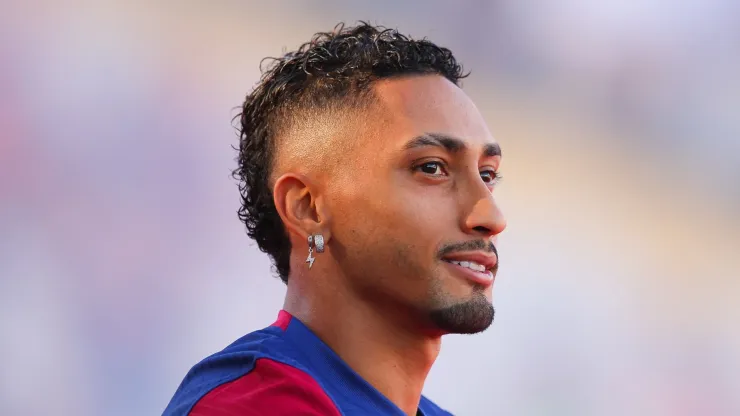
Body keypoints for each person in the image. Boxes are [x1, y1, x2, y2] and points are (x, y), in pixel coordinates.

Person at [163, 22, 506, 416]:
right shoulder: (256, 404)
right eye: (432, 167)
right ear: (307, 208)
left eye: (487, 175)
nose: (490, 215)